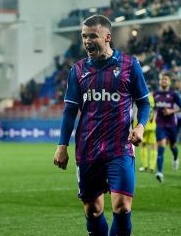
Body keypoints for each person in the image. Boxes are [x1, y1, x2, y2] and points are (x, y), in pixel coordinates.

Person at [52, 15, 150, 236]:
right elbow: (69, 111)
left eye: (92, 36)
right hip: (88, 148)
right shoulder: (77, 71)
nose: (87, 41)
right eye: (84, 36)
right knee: (93, 211)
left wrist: (141, 126)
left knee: (122, 207)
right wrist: (62, 145)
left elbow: (144, 103)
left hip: (120, 148)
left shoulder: (129, 65)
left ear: (107, 37)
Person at [153, 72, 181, 182]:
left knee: (172, 146)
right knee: (161, 147)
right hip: (160, 125)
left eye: (166, 79)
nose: (164, 81)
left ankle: (175, 158)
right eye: (162, 79)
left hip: (171, 124)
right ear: (160, 82)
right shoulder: (155, 94)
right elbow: (152, 107)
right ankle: (160, 172)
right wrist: (151, 115)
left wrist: (171, 111)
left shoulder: (173, 94)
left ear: (169, 82)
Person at [138, 92, 157, 173]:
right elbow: (156, 110)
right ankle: (151, 167)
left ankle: (145, 166)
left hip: (143, 124)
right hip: (151, 124)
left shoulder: (140, 95)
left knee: (143, 145)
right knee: (153, 145)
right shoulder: (153, 97)